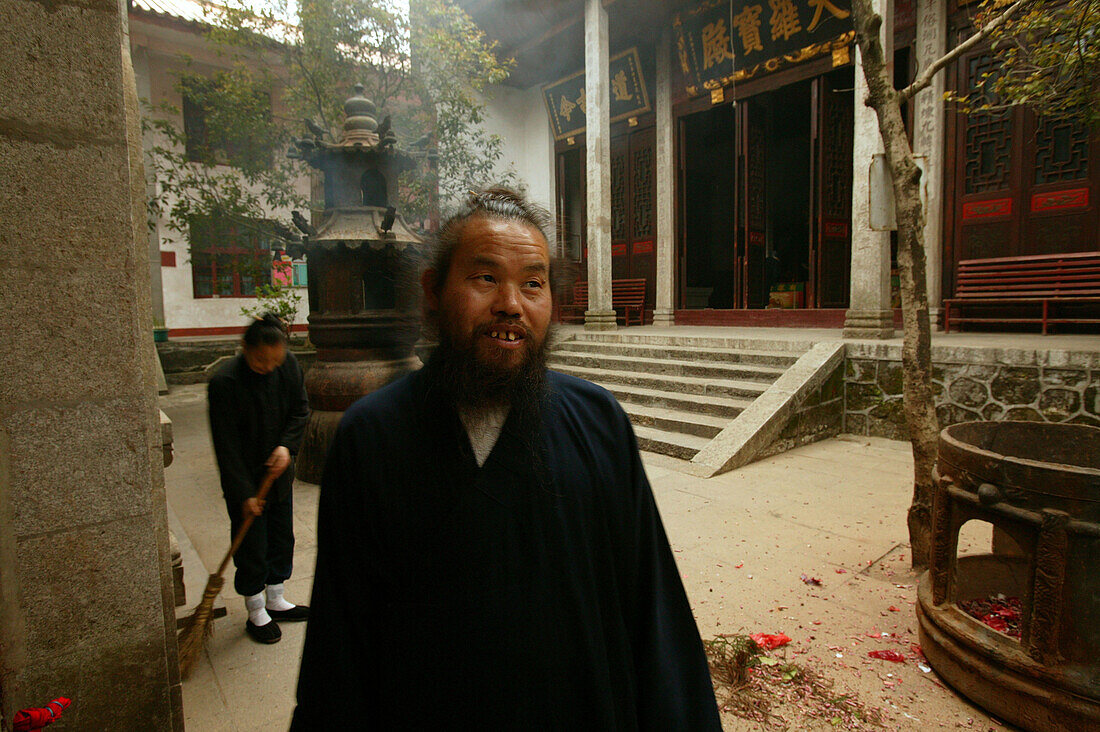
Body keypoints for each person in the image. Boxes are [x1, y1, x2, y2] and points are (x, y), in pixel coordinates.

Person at [291, 188, 720, 729]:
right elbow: (342, 637)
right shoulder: (373, 435)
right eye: (485, 278)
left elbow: (652, 611)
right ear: (433, 291)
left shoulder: (598, 422)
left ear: (552, 303)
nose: (511, 305)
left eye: (533, 284)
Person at [208, 312, 311, 645]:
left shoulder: (288, 365)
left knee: (282, 536)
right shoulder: (225, 382)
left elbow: (300, 409)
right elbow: (226, 447)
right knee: (253, 543)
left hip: (278, 472)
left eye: (275, 360)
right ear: (244, 348)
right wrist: (243, 494)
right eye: (260, 360)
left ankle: (276, 598)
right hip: (246, 479)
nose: (269, 366)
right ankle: (255, 608)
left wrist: (286, 447)